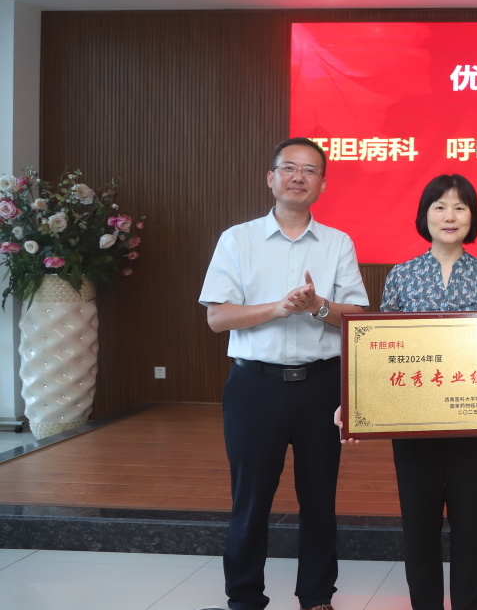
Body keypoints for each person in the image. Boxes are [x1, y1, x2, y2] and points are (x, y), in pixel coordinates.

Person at [335, 174, 477, 610]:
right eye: (440, 206)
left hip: (472, 418)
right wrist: (352, 401)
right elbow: (379, 351)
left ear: (472, 217)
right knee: (419, 524)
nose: (450, 216)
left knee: (471, 524)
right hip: (413, 420)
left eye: (460, 207)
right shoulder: (402, 275)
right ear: (424, 215)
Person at [200, 137, 369, 610]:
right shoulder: (237, 239)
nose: (298, 177)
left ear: (322, 185)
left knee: (319, 499)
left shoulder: (338, 243)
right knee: (250, 499)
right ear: (271, 178)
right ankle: (244, 598)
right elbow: (217, 317)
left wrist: (317, 306)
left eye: (310, 170)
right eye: (289, 168)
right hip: (256, 386)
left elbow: (357, 317)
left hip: (321, 386)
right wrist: (277, 308)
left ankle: (317, 596)